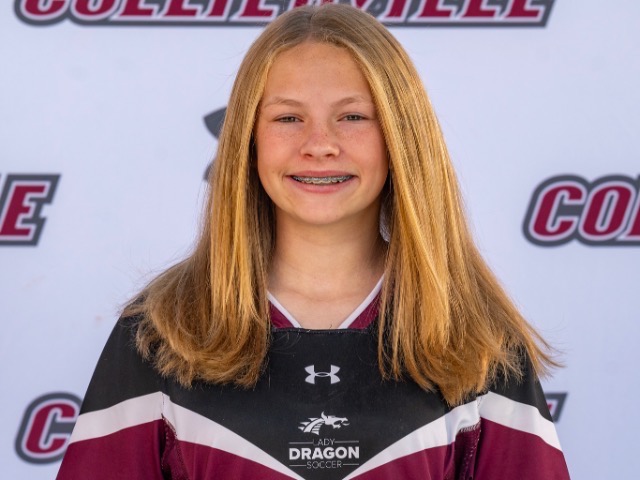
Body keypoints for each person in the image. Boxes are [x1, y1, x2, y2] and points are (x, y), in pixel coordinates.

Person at [57, 4, 571, 479]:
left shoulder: (478, 336)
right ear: (248, 140)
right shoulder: (163, 330)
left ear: (400, 138)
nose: (320, 145)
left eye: (353, 117)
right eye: (288, 118)